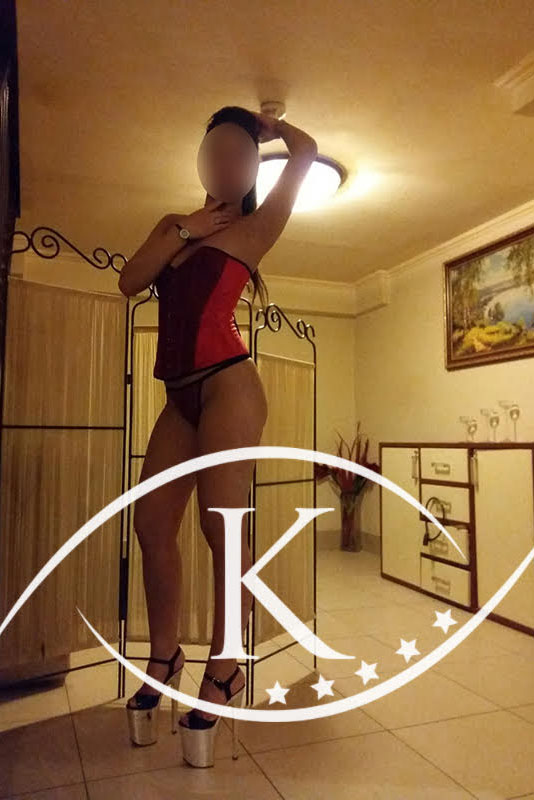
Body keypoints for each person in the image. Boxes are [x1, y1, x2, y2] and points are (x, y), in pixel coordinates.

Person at [118, 105, 317, 767]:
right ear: (201, 159)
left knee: (219, 525)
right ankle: (165, 656)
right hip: (179, 397)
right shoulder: (172, 225)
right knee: (151, 525)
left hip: (229, 385)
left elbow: (307, 150)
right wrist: (187, 227)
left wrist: (269, 127)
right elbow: (129, 281)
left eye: (240, 154)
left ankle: (226, 666)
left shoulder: (257, 228)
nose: (226, 162)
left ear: (253, 166)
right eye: (217, 151)